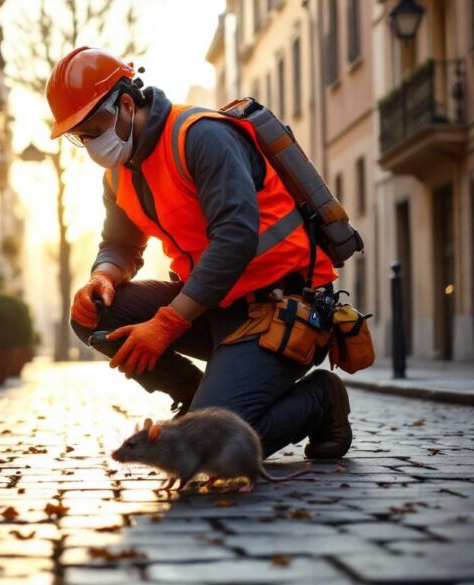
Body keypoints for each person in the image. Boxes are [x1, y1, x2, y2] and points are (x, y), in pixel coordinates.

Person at [46, 47, 351, 459]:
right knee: (94, 315)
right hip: (214, 307)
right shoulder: (118, 173)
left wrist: (168, 322)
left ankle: (322, 401)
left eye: (94, 126)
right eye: (78, 135)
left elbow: (235, 238)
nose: (89, 142)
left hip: (283, 307)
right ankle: (195, 400)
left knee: (211, 448)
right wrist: (103, 276)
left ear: (124, 103)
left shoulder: (201, 136)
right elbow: (119, 245)